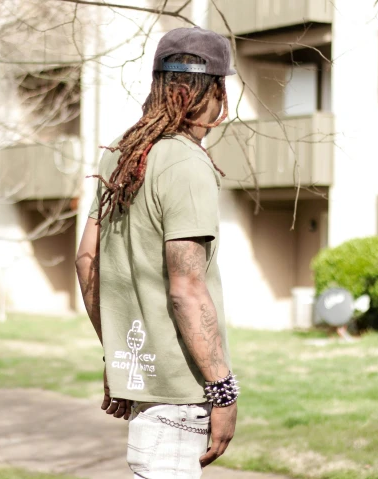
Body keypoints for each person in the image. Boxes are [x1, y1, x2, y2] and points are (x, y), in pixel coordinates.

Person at [75, 26, 239, 478]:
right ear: (214, 91)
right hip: (182, 396)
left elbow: (86, 260)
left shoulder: (122, 158)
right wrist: (223, 390)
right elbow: (186, 289)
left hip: (140, 382)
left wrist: (120, 358)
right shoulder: (187, 164)